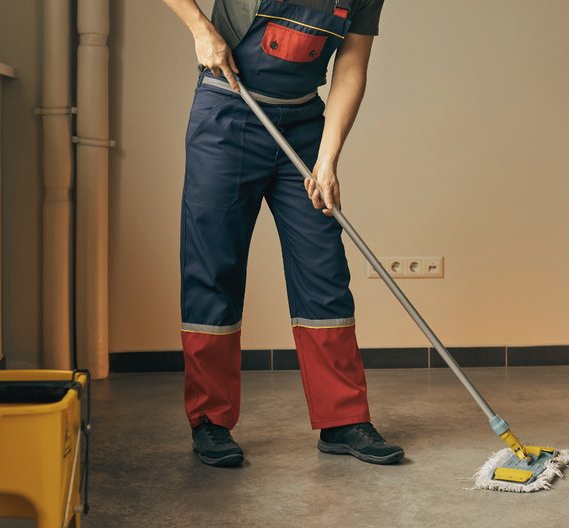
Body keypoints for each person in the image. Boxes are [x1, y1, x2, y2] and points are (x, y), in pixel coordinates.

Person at [162, 0, 403, 467]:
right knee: (213, 269)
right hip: (227, 115)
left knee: (324, 271)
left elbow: (351, 66)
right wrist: (200, 28)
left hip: (303, 125)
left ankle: (343, 420)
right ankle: (210, 421)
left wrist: (328, 158)